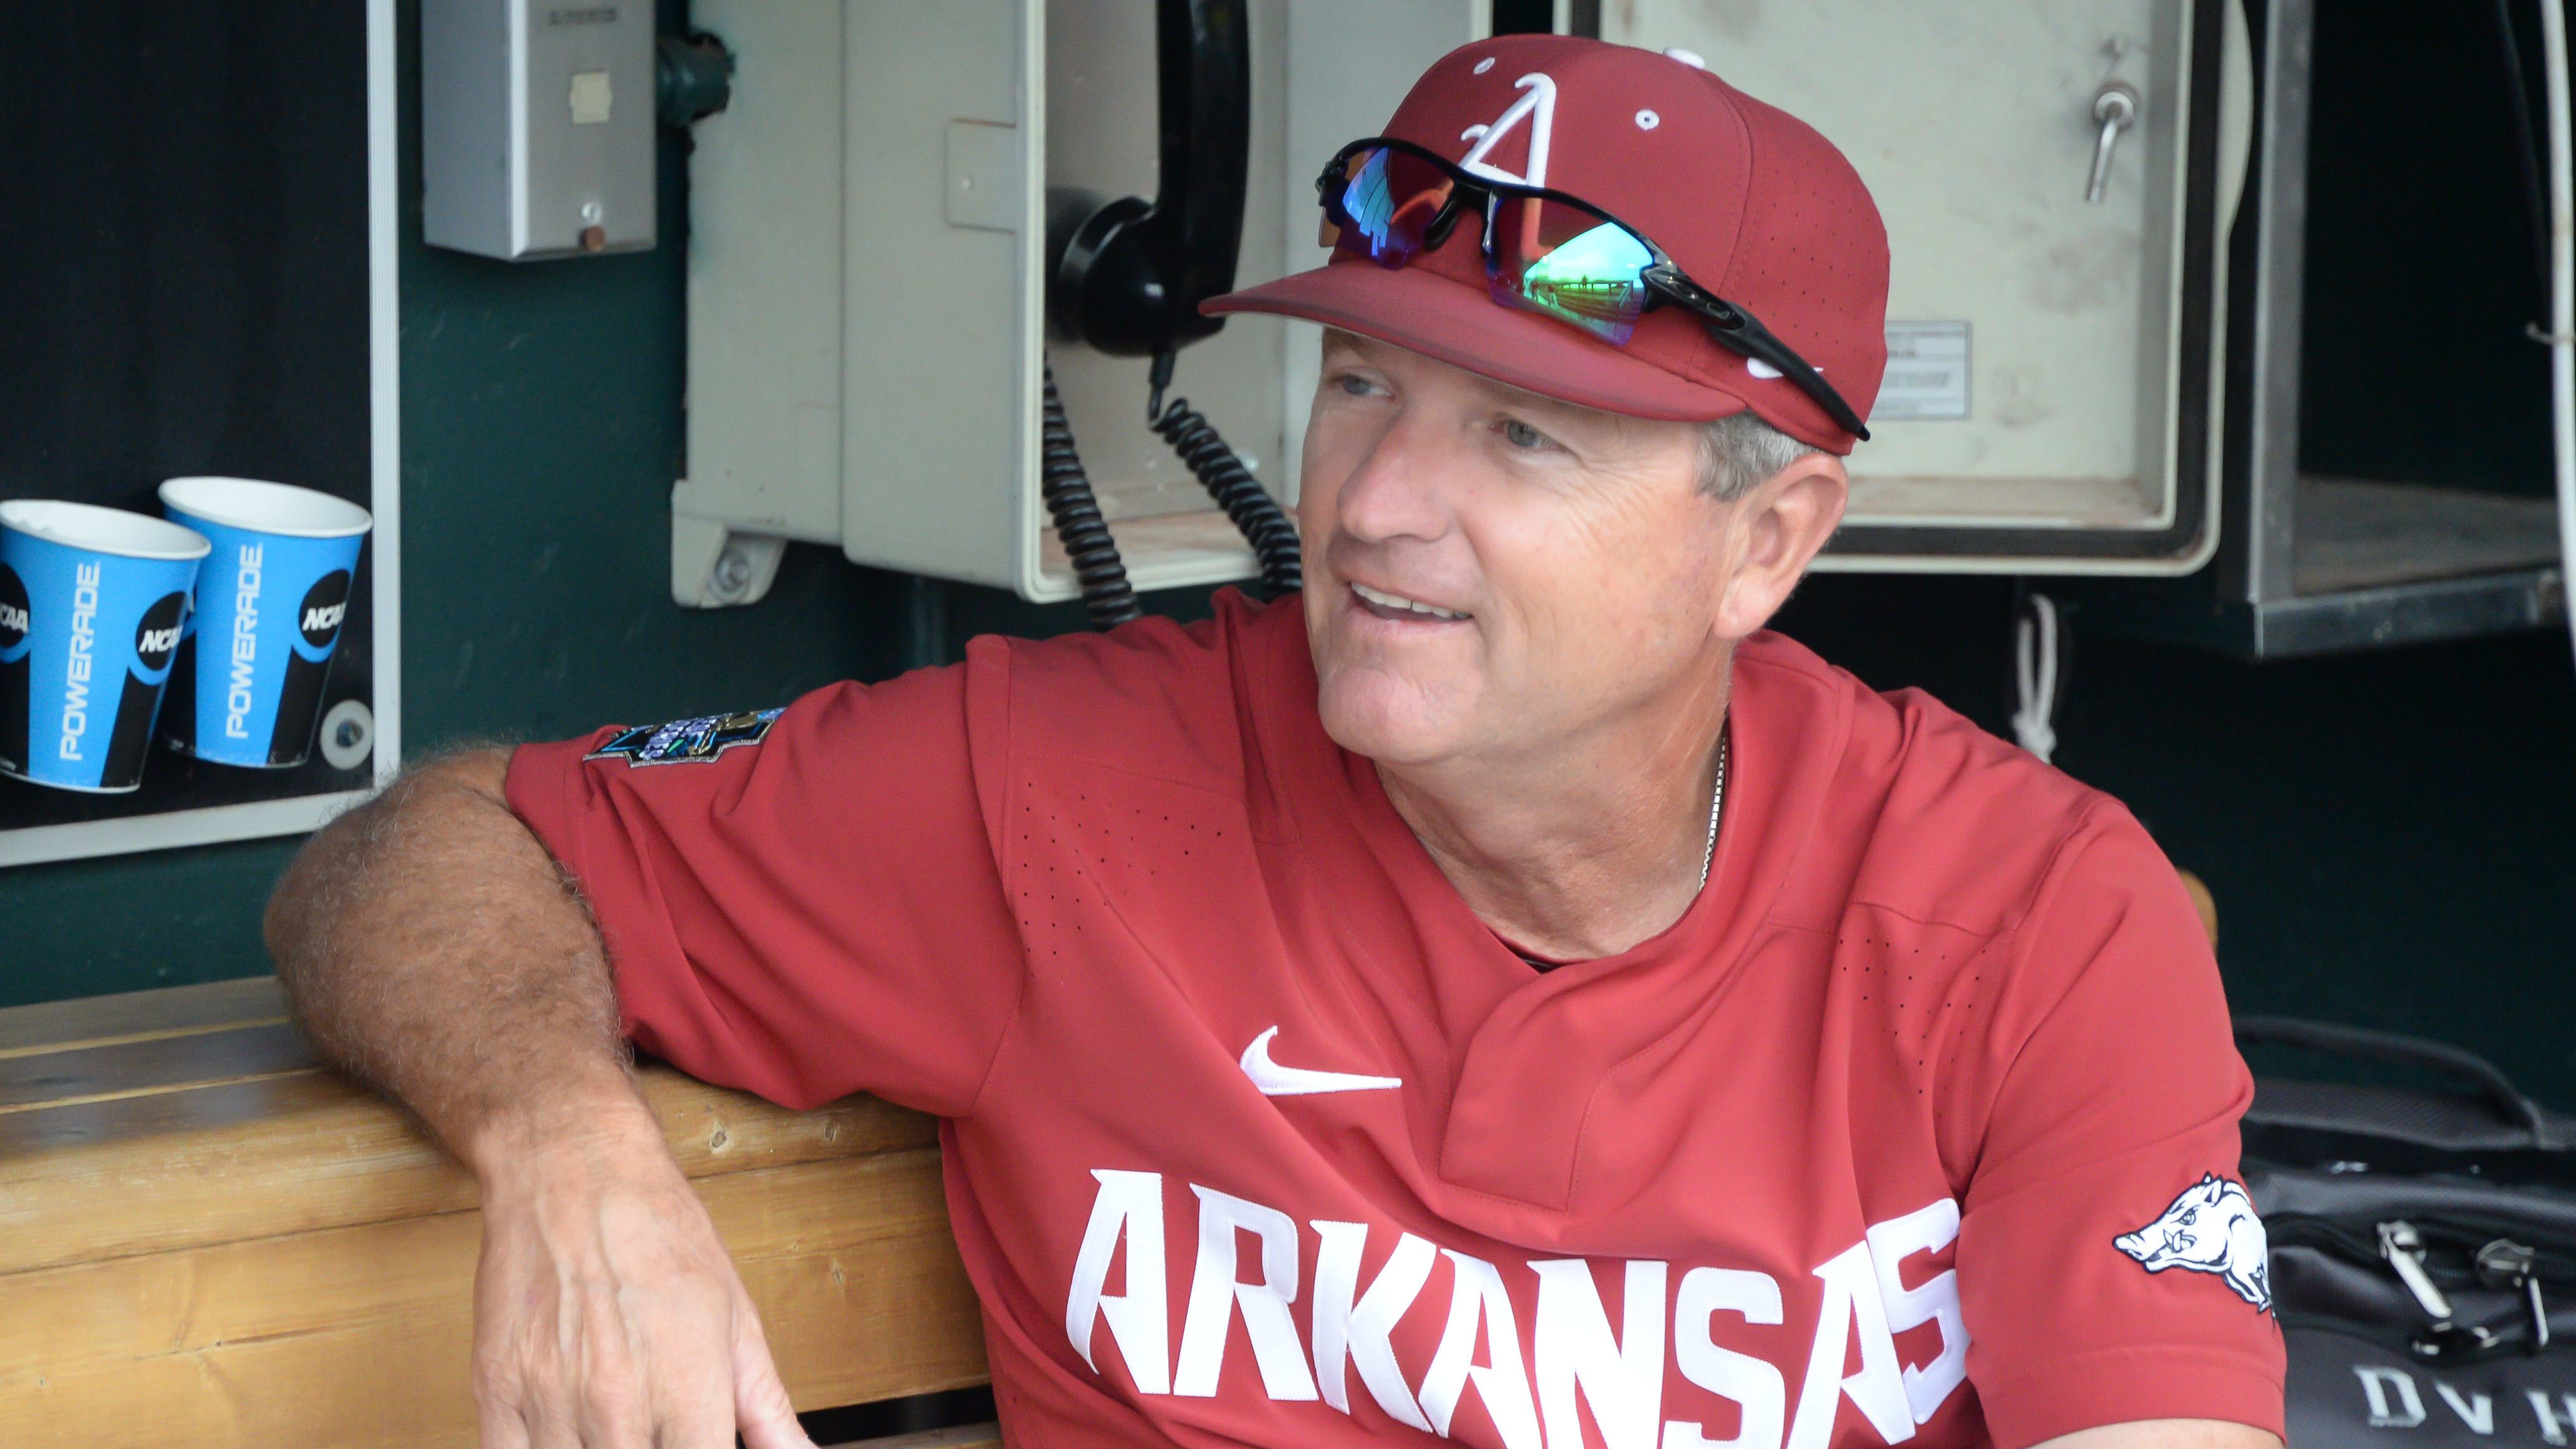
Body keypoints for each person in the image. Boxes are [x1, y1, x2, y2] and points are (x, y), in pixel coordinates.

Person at [267, 35, 2285, 1449]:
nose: (1372, 501)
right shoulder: (1063, 792)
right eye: (1353, 387)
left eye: (1517, 433)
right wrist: (560, 1136)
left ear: (1764, 540)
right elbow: (422, 849)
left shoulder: (2027, 918)